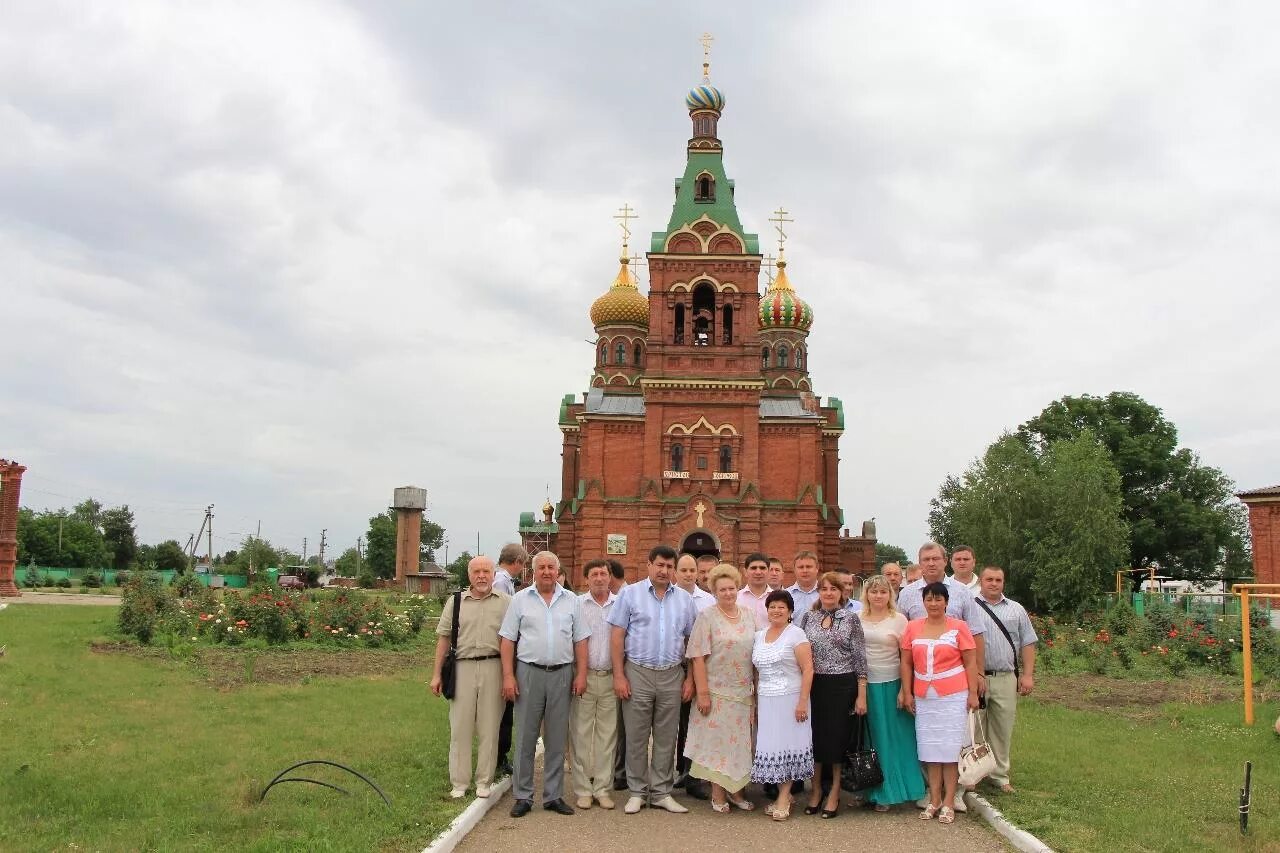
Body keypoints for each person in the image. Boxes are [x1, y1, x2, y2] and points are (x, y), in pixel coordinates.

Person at [499, 551, 590, 817]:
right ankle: (523, 795)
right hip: (529, 673)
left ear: (558, 570)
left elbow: (581, 640)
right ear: (533, 571)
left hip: (563, 674)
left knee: (557, 737)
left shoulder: (571, 601)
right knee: (526, 736)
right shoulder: (520, 600)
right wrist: (508, 675)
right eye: (542, 568)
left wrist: (581, 674)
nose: (547, 572)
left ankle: (553, 796)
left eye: (551, 567)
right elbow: (507, 640)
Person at [609, 544, 697, 814]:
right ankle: (637, 791)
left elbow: (691, 642)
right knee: (636, 735)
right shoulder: (630, 594)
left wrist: (690, 679)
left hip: (672, 673)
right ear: (649, 565)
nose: (664, 570)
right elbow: (617, 636)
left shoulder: (684, 600)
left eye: (669, 566)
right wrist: (619, 675)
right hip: (637, 672)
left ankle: (661, 792)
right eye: (660, 565)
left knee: (666, 737)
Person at [899, 582, 980, 825]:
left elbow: (970, 662)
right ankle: (934, 799)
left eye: (938, 599)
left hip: (953, 695)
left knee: (950, 749)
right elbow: (906, 663)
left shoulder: (959, 627)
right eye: (929, 599)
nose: (933, 604)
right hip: (925, 696)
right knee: (930, 749)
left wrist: (973, 693)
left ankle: (948, 801)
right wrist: (907, 691)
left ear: (946, 602)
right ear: (923, 602)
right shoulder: (913, 627)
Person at [431, 555, 511, 800]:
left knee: (489, 727)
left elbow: (511, 641)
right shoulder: (455, 602)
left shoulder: (506, 602)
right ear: (469, 576)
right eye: (476, 572)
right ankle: (459, 782)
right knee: (460, 727)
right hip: (462, 668)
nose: (481, 576)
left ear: (493, 574)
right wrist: (436, 675)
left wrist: (510, 675)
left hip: (493, 666)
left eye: (486, 571)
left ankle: (484, 781)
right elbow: (444, 639)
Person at [685, 563, 758, 813]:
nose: (728, 593)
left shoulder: (749, 615)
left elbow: (757, 653)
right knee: (717, 745)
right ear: (714, 592)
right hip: (715, 692)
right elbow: (697, 656)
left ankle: (737, 792)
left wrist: (757, 690)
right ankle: (718, 793)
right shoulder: (707, 616)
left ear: (738, 588)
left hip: (742, 692)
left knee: (739, 745)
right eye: (722, 589)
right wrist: (702, 692)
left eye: (732, 588)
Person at [799, 572, 868, 818]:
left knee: (837, 740)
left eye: (833, 589)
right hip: (815, 684)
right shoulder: (809, 617)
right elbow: (800, 652)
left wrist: (861, 694)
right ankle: (816, 789)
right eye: (824, 588)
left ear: (842, 593)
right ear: (819, 592)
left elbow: (860, 657)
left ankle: (835, 790)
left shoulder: (851, 619)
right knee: (815, 737)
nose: (828, 593)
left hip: (843, 685)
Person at [857, 574, 925, 811]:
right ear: (866, 595)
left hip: (892, 683)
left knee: (894, 739)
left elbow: (906, 657)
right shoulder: (857, 619)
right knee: (871, 739)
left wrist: (905, 690)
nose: (878, 596)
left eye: (883, 592)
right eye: (873, 592)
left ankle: (891, 791)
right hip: (866, 685)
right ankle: (870, 789)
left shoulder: (899, 620)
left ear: (890, 595)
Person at [972, 565, 1038, 793]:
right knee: (976, 726)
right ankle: (975, 773)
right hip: (976, 676)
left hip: (1005, 676)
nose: (993, 583)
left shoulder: (1016, 609)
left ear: (1003, 582)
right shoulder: (970, 607)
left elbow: (1028, 642)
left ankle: (999, 775)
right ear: (980, 581)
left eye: (998, 580)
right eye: (989, 579)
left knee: (1002, 727)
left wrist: (1028, 675)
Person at [751, 590, 814, 821]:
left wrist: (802, 702)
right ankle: (783, 794)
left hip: (791, 698)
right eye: (772, 606)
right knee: (771, 747)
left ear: (789, 611)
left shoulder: (796, 634)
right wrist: (755, 703)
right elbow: (756, 673)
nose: (776, 610)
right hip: (767, 701)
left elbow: (808, 669)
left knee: (787, 747)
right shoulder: (759, 636)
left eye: (781, 607)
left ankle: (783, 797)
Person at [570, 559, 619, 810]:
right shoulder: (577, 605)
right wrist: (578, 674)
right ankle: (582, 789)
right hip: (584, 677)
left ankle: (602, 788)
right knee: (580, 734)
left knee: (607, 736)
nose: (599, 578)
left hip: (611, 677)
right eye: (594, 574)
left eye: (603, 574)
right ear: (586, 578)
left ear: (610, 577)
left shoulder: (620, 605)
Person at [674, 554, 714, 799]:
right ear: (676, 572)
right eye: (684, 570)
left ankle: (694, 774)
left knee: (694, 723)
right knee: (674, 723)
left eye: (692, 570)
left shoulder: (707, 600)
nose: (689, 574)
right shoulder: (668, 597)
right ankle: (680, 770)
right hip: (673, 666)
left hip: (699, 668)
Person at [493, 544, 528, 777]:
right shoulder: (501, 582)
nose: (522, 569)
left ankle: (499, 754)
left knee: (505, 710)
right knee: (503, 710)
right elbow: (505, 622)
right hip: (501, 650)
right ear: (516, 561)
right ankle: (499, 757)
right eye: (523, 564)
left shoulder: (501, 579)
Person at [786, 551, 822, 625]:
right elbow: (785, 621)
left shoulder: (826, 594)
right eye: (801, 567)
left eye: (809, 567)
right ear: (794, 569)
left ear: (817, 568)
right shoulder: (786, 595)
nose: (805, 571)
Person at [737, 553, 772, 626]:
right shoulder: (736, 598)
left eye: (762, 568)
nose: (758, 572)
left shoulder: (778, 598)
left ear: (769, 571)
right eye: (753, 568)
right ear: (745, 572)